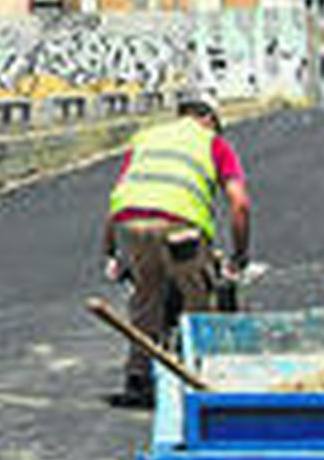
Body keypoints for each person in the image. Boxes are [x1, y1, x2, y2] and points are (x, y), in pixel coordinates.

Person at [103, 86, 252, 408]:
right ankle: (202, 381)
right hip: (179, 230)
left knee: (146, 297)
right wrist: (239, 257)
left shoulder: (147, 138)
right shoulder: (213, 144)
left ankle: (138, 379)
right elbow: (239, 204)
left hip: (129, 223)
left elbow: (118, 197)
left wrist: (111, 252)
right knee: (199, 299)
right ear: (210, 118)